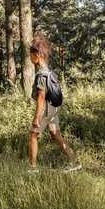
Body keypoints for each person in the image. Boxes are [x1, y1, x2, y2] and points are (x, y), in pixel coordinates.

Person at [28, 35, 81, 172]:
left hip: (45, 107)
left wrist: (36, 117)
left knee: (32, 135)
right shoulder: (49, 70)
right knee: (56, 134)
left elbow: (41, 97)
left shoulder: (42, 74)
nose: (30, 58)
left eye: (31, 55)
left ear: (37, 55)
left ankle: (32, 167)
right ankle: (73, 162)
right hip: (54, 107)